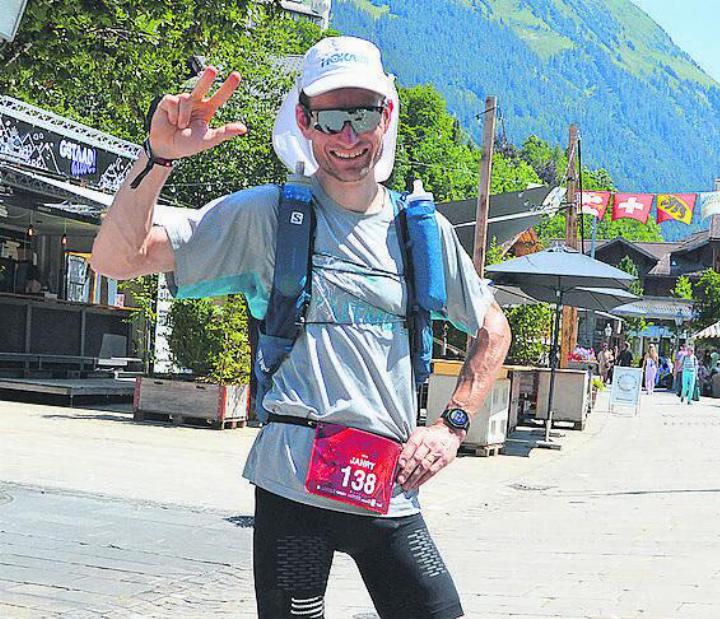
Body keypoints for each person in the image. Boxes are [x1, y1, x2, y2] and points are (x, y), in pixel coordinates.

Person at [90, 36, 511, 619]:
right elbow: (117, 258)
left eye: (361, 113)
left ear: (385, 117)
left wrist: (452, 424)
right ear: (306, 123)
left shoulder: (422, 232)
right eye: (331, 116)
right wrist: (158, 158)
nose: (347, 135)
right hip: (292, 488)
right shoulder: (269, 216)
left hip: (386, 487)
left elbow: (493, 328)